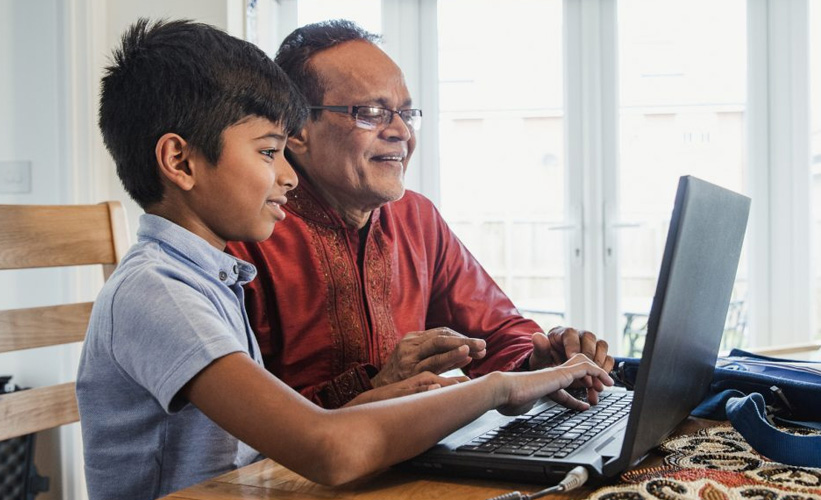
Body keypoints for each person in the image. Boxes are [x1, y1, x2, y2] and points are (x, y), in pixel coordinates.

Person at [75, 18, 613, 500]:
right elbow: (322, 446)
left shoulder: (213, 270)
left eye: (405, 113)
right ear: (180, 160)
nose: (283, 173)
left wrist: (534, 368)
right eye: (269, 151)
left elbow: (275, 446)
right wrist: (494, 388)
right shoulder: (178, 281)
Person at [226, 20, 614, 409]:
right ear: (297, 129)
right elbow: (242, 423)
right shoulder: (244, 234)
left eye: (406, 114)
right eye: (373, 112)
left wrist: (540, 359)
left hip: (416, 460)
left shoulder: (415, 218)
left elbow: (498, 333)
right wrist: (378, 384)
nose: (401, 132)